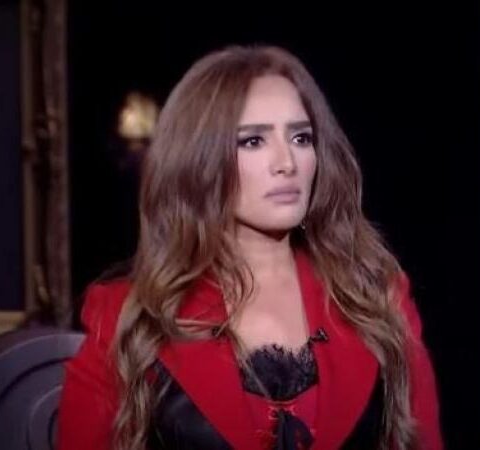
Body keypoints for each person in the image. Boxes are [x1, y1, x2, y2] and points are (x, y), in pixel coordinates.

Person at [57, 44, 443, 450]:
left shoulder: (378, 299)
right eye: (254, 141)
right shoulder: (127, 316)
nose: (287, 162)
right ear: (199, 160)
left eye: (301, 137)